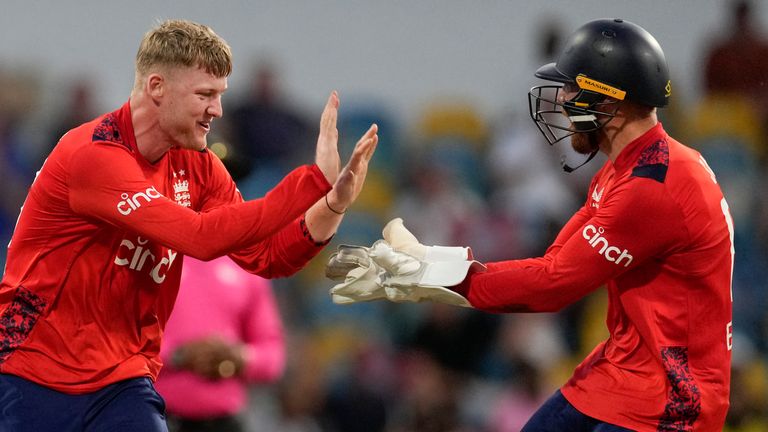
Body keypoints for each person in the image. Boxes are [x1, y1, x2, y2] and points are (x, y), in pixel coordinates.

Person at [330, 18, 733, 431]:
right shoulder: (625, 172)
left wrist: (434, 279)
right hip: (622, 373)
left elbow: (552, 285)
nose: (561, 100)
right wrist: (430, 260)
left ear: (612, 102)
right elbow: (551, 262)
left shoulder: (651, 188)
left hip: (671, 398)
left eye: (574, 87)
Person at [0, 19, 378, 432]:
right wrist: (310, 181)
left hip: (123, 380)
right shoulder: (94, 154)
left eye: (220, 96)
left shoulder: (197, 166)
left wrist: (332, 204)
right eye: (205, 95)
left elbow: (266, 256)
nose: (217, 110)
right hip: (32, 372)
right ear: (157, 87)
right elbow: (198, 237)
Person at [155, 255, 285, 432]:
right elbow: (123, 344)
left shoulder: (248, 267)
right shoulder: (152, 256)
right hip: (159, 416)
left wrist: (238, 358)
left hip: (224, 421)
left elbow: (273, 356)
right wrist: (178, 355)